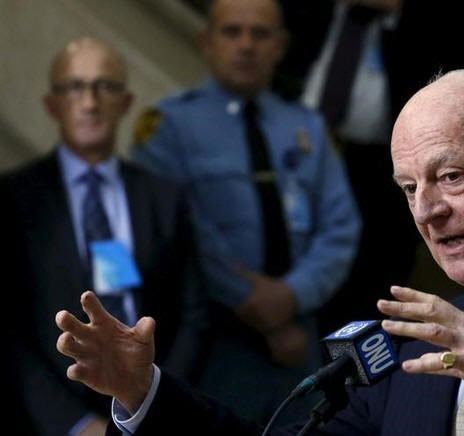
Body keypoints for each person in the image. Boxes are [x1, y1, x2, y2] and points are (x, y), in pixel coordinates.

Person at [56, 69, 464, 435]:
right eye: (409, 188)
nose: (427, 211)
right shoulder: (414, 342)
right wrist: (145, 394)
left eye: (451, 176)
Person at [129, 0, 360, 424]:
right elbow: (181, 232)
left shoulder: (306, 127)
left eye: (260, 33)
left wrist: (291, 295)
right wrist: (255, 305)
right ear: (207, 41)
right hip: (211, 341)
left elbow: (341, 227)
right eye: (232, 32)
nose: (247, 45)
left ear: (280, 45)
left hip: (298, 340)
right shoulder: (168, 127)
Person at [2, 37, 208, 436]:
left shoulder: (165, 197)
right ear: (52, 104)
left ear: (126, 102)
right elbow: (9, 330)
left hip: (154, 414)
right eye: (75, 87)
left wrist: (153, 402)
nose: (90, 102)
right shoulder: (13, 200)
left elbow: (194, 316)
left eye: (105, 87)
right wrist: (74, 424)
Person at [277, 0, 464, 332]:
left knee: (365, 299)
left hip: (379, 175)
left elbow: (463, 77)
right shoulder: (304, 12)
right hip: (291, 157)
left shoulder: (442, 16)